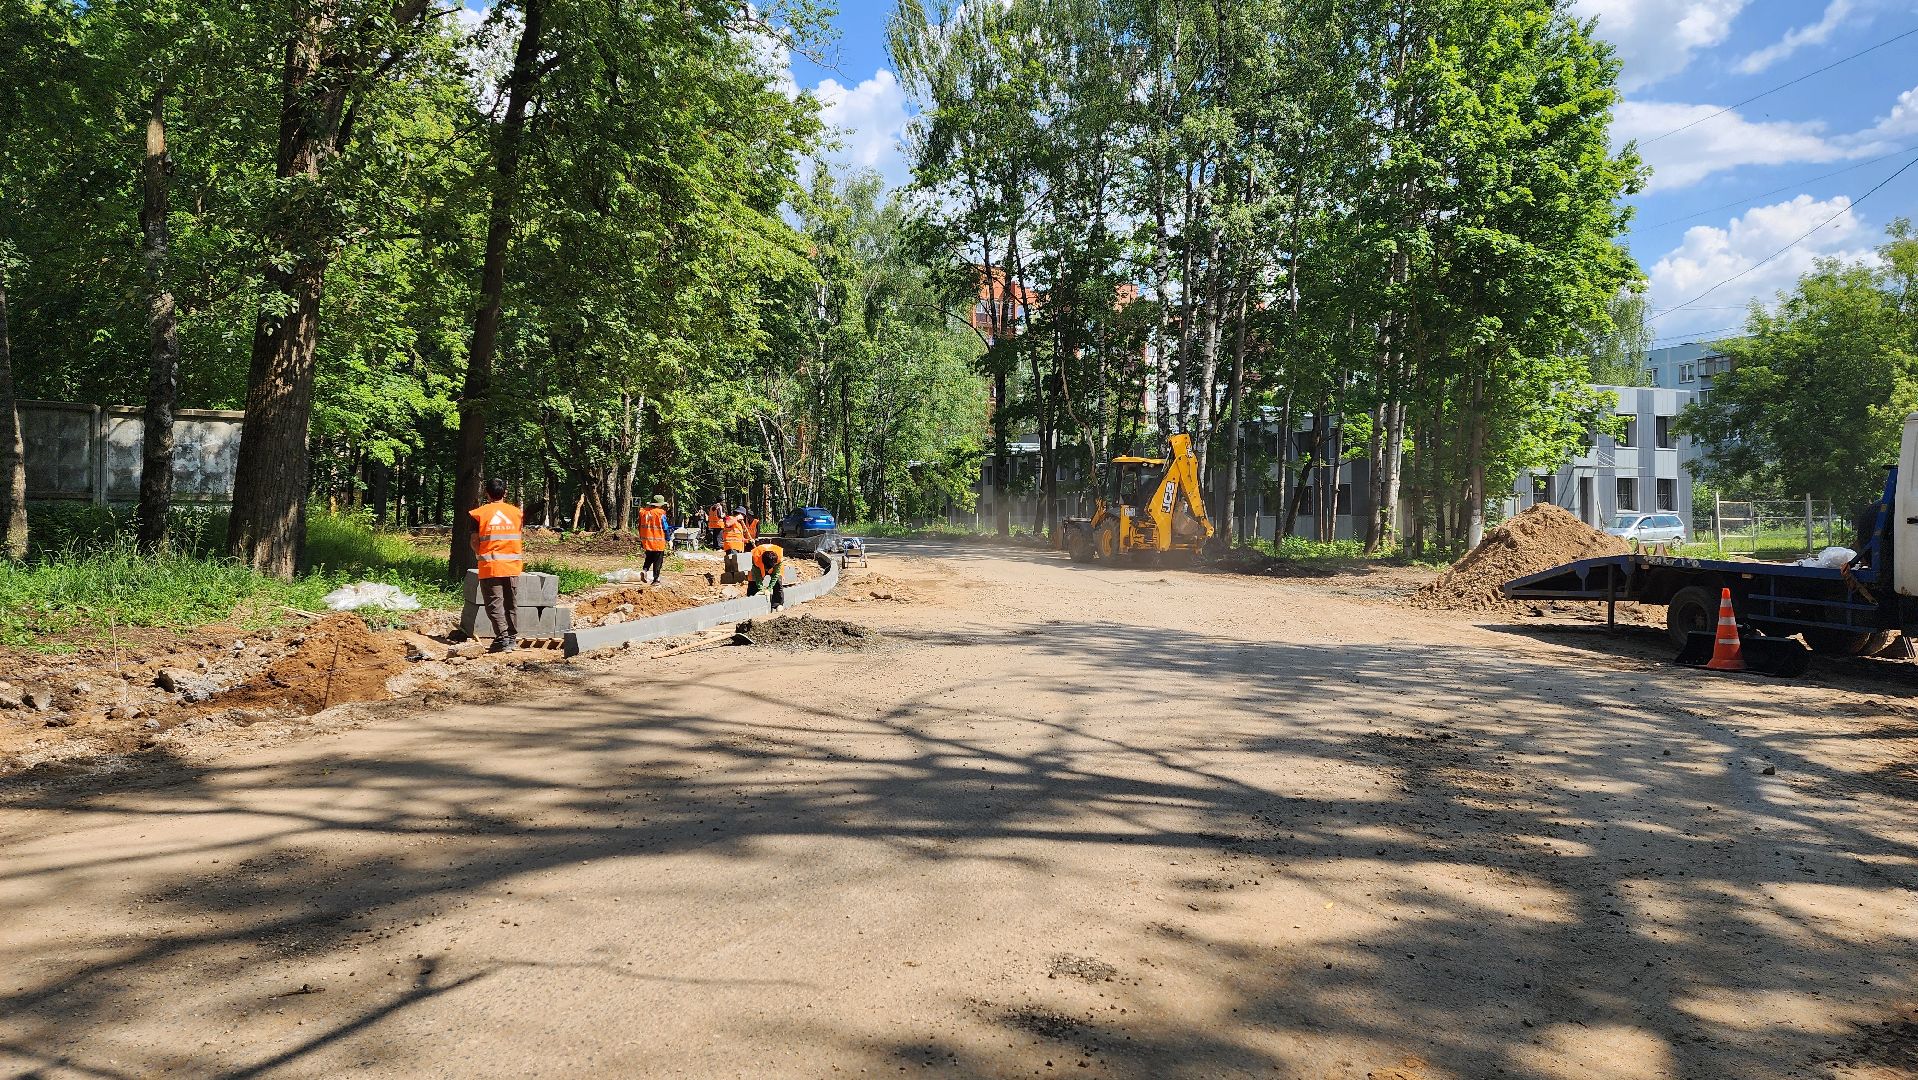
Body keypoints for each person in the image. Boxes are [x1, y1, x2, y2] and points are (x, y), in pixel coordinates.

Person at [468, 477, 524, 653]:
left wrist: (479, 554)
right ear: (505, 493)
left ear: (487, 493)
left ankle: (502, 640)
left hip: (491, 566)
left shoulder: (478, 514)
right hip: (513, 566)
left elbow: (475, 540)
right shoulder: (516, 513)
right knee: (510, 604)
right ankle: (512, 639)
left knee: (494, 604)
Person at [636, 494, 670, 585]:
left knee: (649, 557)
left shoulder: (643, 512)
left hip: (647, 540)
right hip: (658, 541)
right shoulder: (660, 513)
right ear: (660, 504)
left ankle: (645, 570)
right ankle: (656, 579)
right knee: (658, 560)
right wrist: (668, 538)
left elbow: (639, 526)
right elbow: (665, 527)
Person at [749, 540, 786, 610]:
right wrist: (761, 589)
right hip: (758, 565)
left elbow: (775, 575)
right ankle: (751, 602)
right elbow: (757, 576)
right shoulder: (756, 557)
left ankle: (777, 604)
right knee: (752, 580)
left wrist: (769, 589)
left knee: (778, 581)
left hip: (775, 566)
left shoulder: (779, 556)